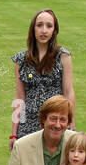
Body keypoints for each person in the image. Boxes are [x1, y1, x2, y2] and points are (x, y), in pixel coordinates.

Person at [11, 9, 73, 143]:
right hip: (27, 125)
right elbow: (19, 98)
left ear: (54, 30)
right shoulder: (20, 60)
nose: (44, 30)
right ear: (33, 29)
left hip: (55, 123)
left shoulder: (63, 56)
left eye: (49, 26)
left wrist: (70, 126)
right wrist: (13, 133)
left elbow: (68, 92)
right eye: (39, 25)